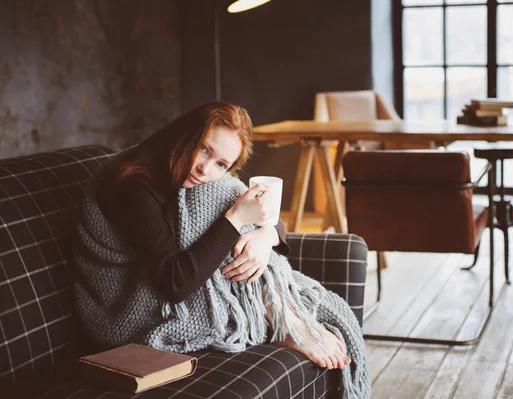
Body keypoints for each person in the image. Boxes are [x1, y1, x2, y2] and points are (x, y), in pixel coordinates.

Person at [88, 101, 351, 370]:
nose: (205, 169)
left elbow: (273, 222)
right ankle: (284, 320)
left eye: (221, 163)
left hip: (175, 277)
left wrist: (266, 235)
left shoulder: (186, 174)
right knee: (222, 195)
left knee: (225, 192)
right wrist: (236, 218)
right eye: (204, 149)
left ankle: (283, 315)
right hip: (125, 310)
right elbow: (174, 283)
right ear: (186, 135)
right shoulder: (134, 186)